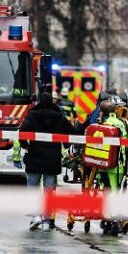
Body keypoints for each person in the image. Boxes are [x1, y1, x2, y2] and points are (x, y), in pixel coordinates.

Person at [21, 91, 77, 231]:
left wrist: (25, 145)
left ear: (39, 100)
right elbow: (70, 132)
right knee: (49, 191)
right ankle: (46, 220)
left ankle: (35, 216)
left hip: (34, 157)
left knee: (32, 188)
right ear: (52, 101)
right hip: (52, 160)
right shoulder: (59, 116)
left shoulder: (32, 115)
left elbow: (22, 132)